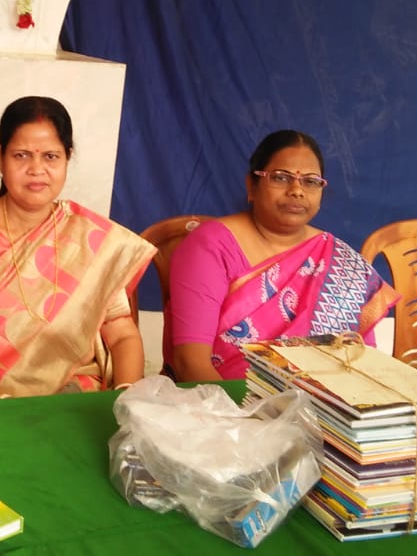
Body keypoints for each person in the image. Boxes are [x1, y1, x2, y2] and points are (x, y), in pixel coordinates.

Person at [0, 96, 155, 399]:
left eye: (50, 156)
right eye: (21, 156)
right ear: (0, 157)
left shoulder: (87, 236)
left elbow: (123, 335)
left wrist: (126, 398)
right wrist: (6, 414)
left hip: (78, 398)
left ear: (67, 157)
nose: (36, 169)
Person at [167, 129, 398, 383]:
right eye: (280, 177)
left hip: (324, 406)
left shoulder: (342, 264)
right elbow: (190, 363)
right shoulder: (210, 246)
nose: (297, 190)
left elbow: (363, 363)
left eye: (310, 181)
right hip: (222, 401)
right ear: (251, 186)